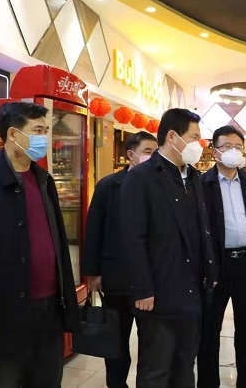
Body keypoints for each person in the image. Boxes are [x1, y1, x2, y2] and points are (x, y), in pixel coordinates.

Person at [0, 102, 79, 388]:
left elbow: (58, 242)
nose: (43, 138)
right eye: (37, 130)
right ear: (13, 134)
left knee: (47, 380)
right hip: (5, 313)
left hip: (49, 310)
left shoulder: (44, 180)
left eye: (46, 131)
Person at [119, 108, 217, 388]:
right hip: (159, 291)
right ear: (173, 136)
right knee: (156, 368)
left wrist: (210, 273)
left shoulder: (193, 177)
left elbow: (202, 230)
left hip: (192, 289)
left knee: (185, 365)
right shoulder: (141, 177)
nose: (199, 144)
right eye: (194, 137)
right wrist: (142, 288)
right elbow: (132, 237)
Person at [197, 126, 246, 388]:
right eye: (227, 146)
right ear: (215, 151)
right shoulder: (200, 185)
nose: (233, 151)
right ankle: (208, 382)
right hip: (214, 266)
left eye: (238, 147)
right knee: (209, 329)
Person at [83, 131, 158, 388]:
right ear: (131, 155)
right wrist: (93, 272)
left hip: (150, 279)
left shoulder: (159, 184)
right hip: (116, 277)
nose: (153, 157)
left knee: (151, 342)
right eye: (147, 152)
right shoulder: (108, 186)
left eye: (155, 152)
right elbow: (94, 229)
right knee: (116, 340)